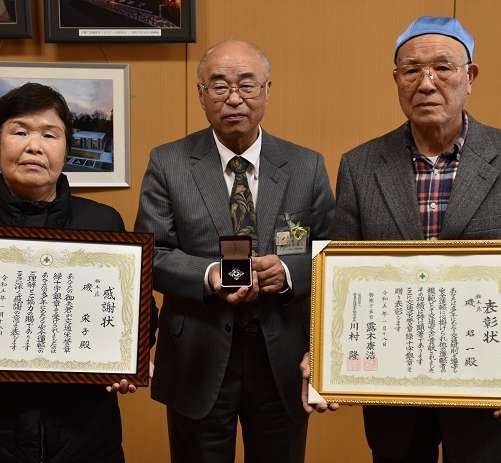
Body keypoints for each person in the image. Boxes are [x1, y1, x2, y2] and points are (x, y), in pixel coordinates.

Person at [302, 16, 501, 463]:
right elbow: (336, 281)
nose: (426, 83)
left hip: (492, 403)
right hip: (396, 405)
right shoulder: (360, 165)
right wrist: (321, 353)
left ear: (470, 77)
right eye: (411, 70)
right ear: (396, 80)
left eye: (443, 68)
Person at [0, 82, 153, 462]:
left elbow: (139, 309)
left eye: (50, 134)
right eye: (19, 131)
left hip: (84, 437)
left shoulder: (102, 222)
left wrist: (133, 355)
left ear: (66, 149)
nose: (34, 146)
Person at [135, 39, 335, 463]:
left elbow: (330, 255)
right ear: (201, 95)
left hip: (281, 354)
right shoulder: (168, 163)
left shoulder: (306, 166)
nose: (234, 99)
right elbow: (153, 254)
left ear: (267, 90)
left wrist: (288, 272)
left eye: (247, 85)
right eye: (220, 86)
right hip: (198, 353)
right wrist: (209, 276)